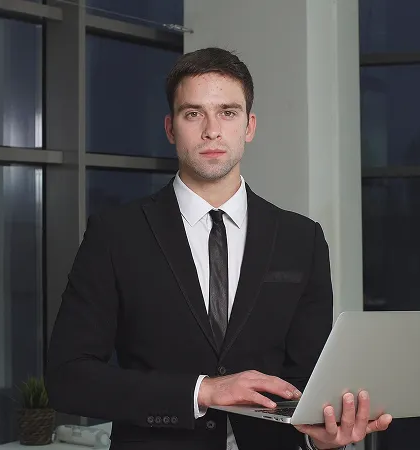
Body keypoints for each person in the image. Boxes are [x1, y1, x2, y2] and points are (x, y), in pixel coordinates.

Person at [45, 47, 392, 450]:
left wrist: (324, 438)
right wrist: (202, 391)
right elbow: (68, 378)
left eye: (227, 112)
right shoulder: (115, 235)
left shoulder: (302, 239)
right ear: (171, 128)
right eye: (193, 113)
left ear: (249, 126)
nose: (212, 130)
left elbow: (306, 384)